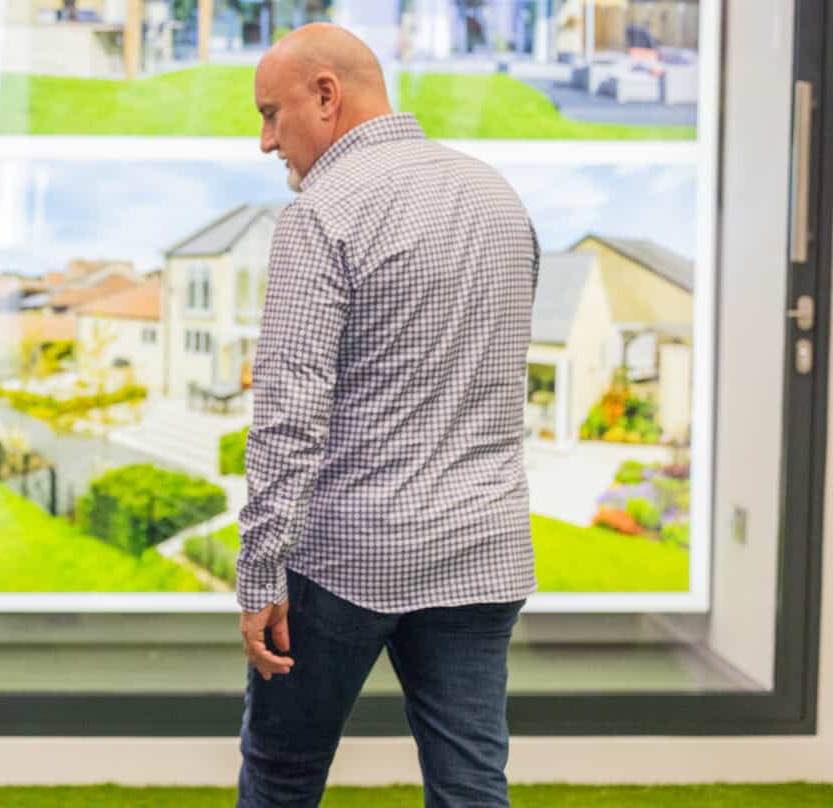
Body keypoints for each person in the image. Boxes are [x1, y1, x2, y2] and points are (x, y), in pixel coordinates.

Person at [236, 24, 539, 808]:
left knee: (281, 775)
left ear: (327, 96)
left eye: (273, 114)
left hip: (345, 557)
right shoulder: (498, 195)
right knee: (473, 783)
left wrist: (259, 573)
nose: (268, 141)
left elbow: (287, 416)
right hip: (483, 547)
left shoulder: (321, 214)